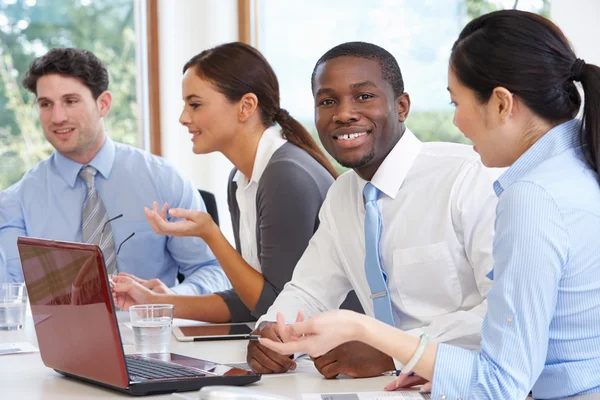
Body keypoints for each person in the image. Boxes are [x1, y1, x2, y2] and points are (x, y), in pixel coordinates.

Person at [259, 10, 600, 400]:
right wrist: (274, 328)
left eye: (457, 103)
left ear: (502, 104)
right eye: (327, 101)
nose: (455, 122)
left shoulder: (524, 194)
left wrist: (383, 341)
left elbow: (500, 382)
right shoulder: (572, 169)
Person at [246, 41, 499, 380]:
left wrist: (393, 351)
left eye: (364, 97)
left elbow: (505, 312)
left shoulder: (466, 178)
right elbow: (310, 290)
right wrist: (270, 333)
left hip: (466, 383)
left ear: (402, 107)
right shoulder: (342, 196)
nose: (343, 113)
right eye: (327, 101)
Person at [111, 42, 346, 329]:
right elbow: (249, 300)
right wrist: (153, 302)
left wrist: (211, 234)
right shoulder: (241, 178)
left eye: (195, 104)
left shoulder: (285, 176)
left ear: (246, 106)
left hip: (331, 355)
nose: (184, 118)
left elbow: (275, 307)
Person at [0, 48, 230, 295]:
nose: (57, 117)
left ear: (104, 104)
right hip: (61, 330)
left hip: (149, 328)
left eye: (71, 101)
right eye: (46, 104)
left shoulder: (164, 180)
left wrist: (170, 299)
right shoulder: (17, 202)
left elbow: (211, 269)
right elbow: (11, 295)